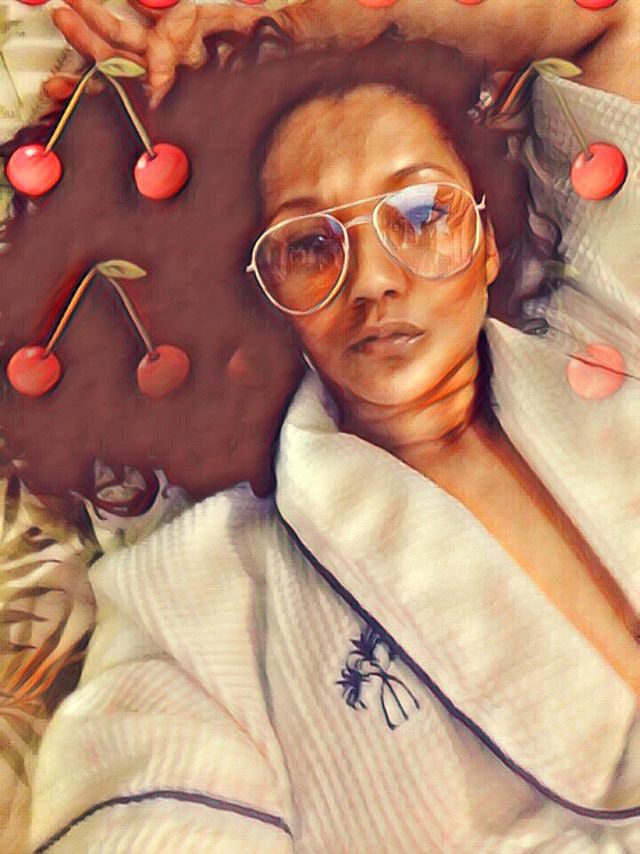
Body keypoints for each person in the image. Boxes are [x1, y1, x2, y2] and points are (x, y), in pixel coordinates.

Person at [30, 3, 640, 852]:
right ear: (270, 297)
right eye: (311, 245)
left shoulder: (612, 332)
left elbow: (619, 25)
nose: (373, 281)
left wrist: (313, 19)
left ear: (489, 243)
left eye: (421, 213)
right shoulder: (203, 592)